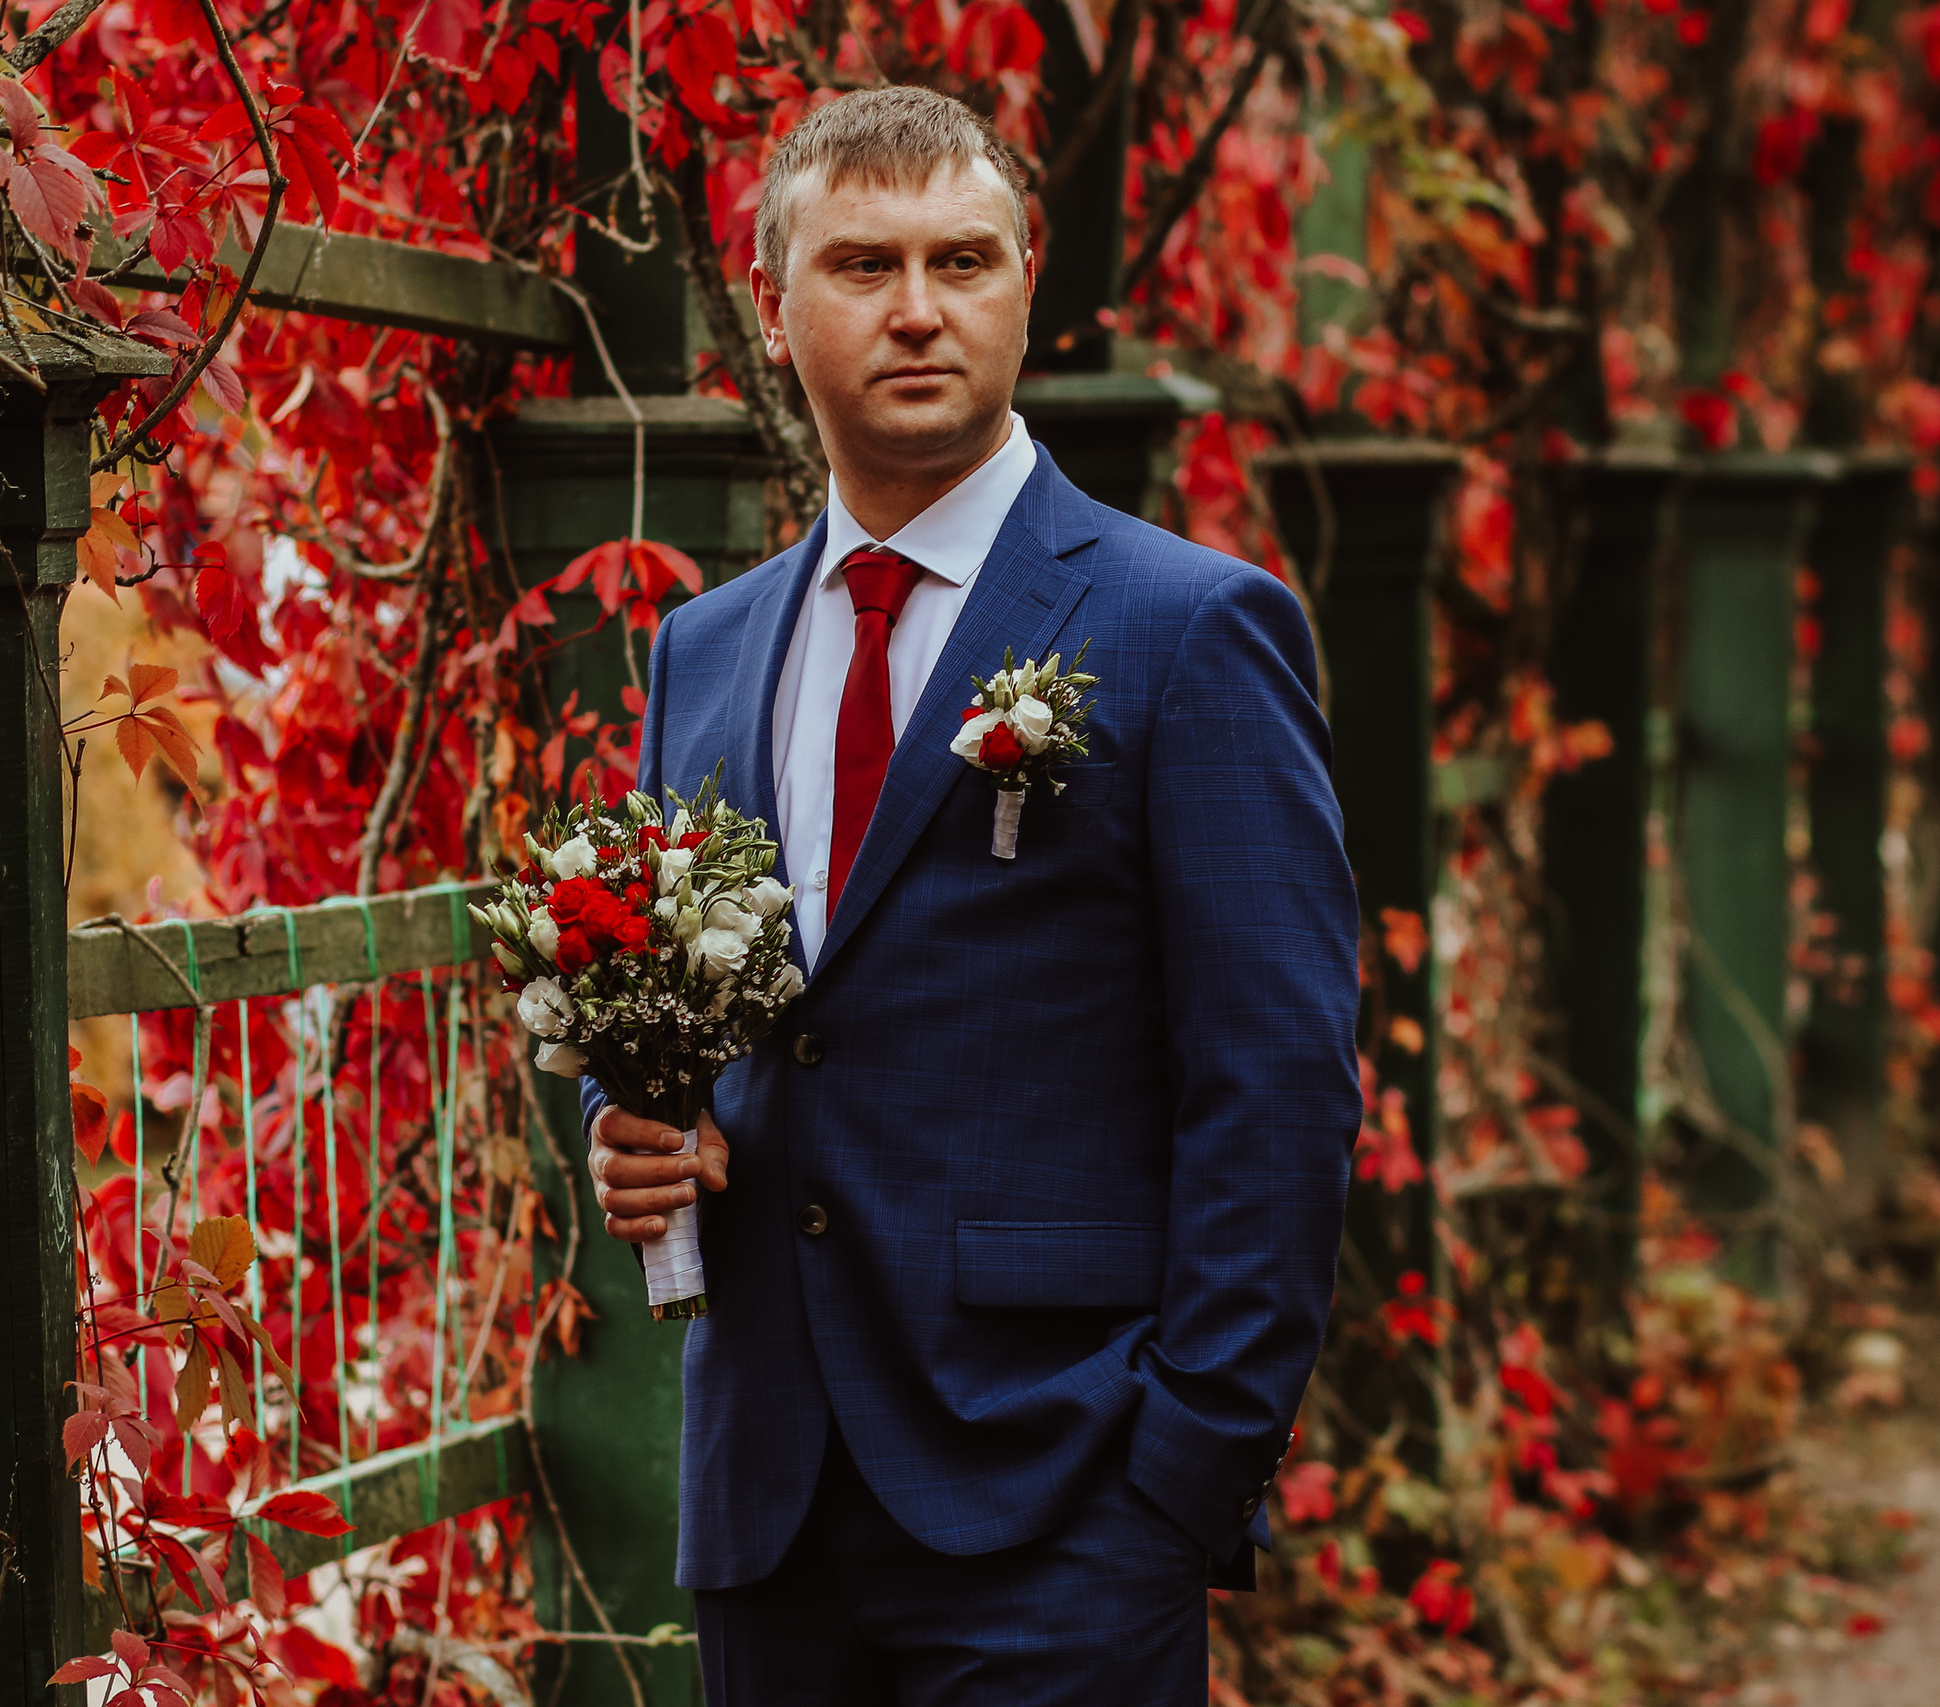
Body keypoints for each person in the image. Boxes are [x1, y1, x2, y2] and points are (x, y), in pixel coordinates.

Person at [578, 85, 1360, 1706]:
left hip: (1065, 1503)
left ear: (1025, 283)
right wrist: (639, 1116)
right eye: (864, 267)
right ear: (772, 304)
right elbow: (706, 1007)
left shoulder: (1190, 629)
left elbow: (1277, 1082)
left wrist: (1182, 1476)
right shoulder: (705, 653)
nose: (921, 311)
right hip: (770, 1507)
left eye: (966, 261)